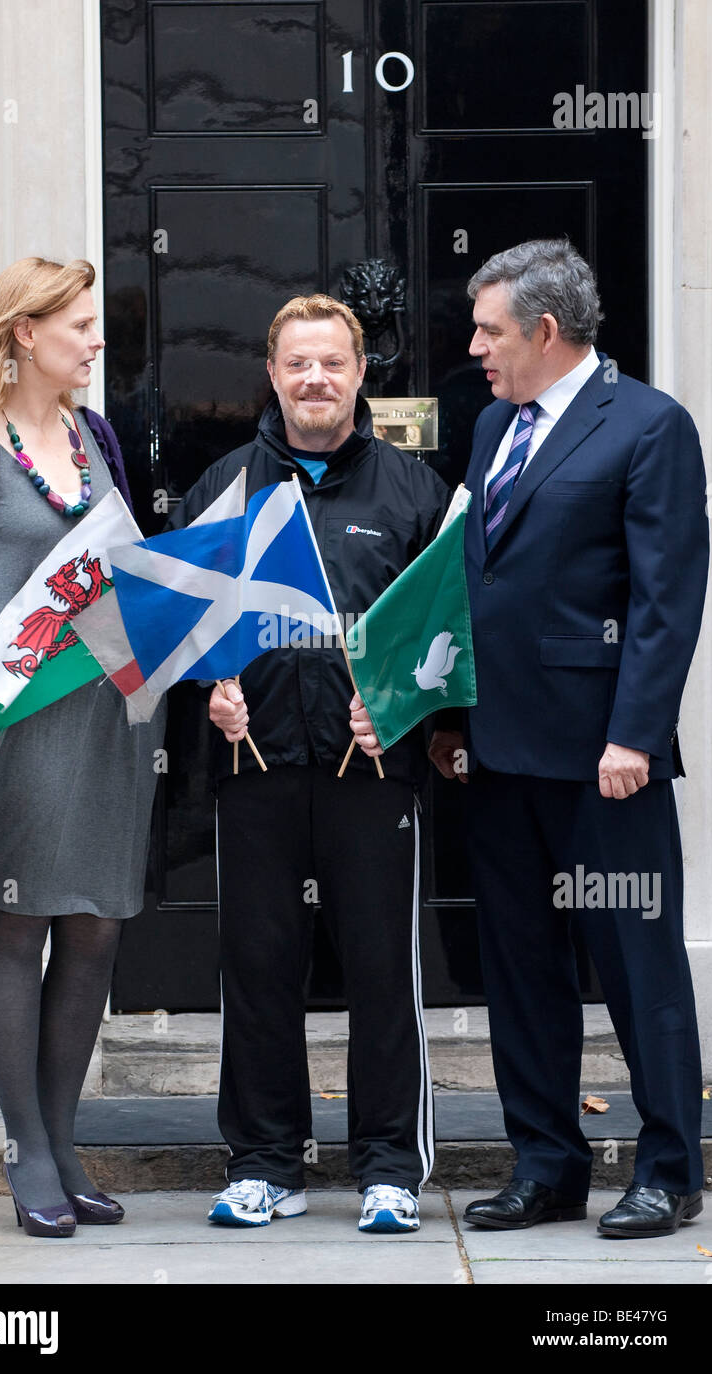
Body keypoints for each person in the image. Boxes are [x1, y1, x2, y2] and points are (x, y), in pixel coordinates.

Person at [429, 238, 709, 1238]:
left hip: (605, 766)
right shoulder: (494, 426)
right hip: (502, 758)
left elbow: (665, 602)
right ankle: (547, 1164)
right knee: (521, 969)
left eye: (489, 330)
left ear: (545, 332)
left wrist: (635, 734)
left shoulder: (648, 427)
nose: (475, 348)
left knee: (637, 965)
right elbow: (477, 586)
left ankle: (671, 1169)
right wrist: (456, 720)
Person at [168, 294, 449, 1233]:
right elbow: (178, 631)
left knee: (380, 971)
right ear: (273, 373)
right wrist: (208, 692)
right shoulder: (224, 487)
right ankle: (263, 1162)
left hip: (372, 774)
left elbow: (451, 634)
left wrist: (402, 709)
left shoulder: (415, 492)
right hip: (255, 769)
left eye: (333, 362)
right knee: (257, 968)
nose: (315, 379)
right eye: (298, 364)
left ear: (361, 373)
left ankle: (388, 1168)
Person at [0, 257, 164, 1237]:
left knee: (94, 926)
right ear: (23, 332)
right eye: (81, 326)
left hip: (104, 726)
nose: (97, 341)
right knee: (15, 929)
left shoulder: (98, 437)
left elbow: (123, 567)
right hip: (8, 731)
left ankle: (63, 1143)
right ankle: (22, 1152)